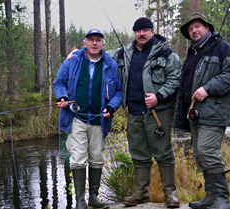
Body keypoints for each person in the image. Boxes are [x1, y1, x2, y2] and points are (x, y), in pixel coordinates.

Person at [106, 17, 182, 208]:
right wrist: (78, 53)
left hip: (159, 111)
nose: (141, 34)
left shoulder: (167, 54)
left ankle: (170, 194)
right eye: (138, 31)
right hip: (133, 112)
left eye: (145, 30)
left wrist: (159, 96)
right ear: (134, 33)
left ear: (152, 31)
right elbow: (100, 55)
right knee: (138, 154)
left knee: (163, 153)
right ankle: (141, 193)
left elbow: (175, 78)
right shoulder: (123, 53)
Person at [175, 12, 230, 209]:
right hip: (195, 114)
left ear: (207, 28)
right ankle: (211, 197)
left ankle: (222, 199)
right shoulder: (193, 52)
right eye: (190, 29)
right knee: (200, 155)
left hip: (214, 113)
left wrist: (208, 88)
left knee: (208, 153)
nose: (194, 31)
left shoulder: (222, 47)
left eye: (197, 26)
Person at [53, 29, 123, 209]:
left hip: (99, 121)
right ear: (84, 43)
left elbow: (118, 91)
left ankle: (93, 197)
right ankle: (79, 201)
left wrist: (111, 106)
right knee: (77, 159)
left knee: (97, 158)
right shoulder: (72, 60)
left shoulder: (111, 64)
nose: (94, 43)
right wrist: (62, 97)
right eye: (91, 40)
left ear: (103, 44)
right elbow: (59, 82)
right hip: (76, 118)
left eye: (98, 40)